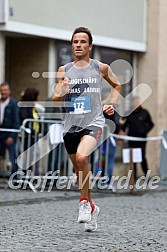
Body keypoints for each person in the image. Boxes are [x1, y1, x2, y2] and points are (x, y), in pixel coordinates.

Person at [52, 27, 121, 232]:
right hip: (70, 126)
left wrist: (112, 103)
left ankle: (83, 203)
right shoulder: (64, 70)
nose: (78, 45)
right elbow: (55, 102)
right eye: (75, 42)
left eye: (83, 42)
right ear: (72, 45)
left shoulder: (100, 67)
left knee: (83, 159)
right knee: (80, 169)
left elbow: (117, 86)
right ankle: (92, 208)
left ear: (90, 46)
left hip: (94, 122)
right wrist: (61, 91)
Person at [120, 96, 154, 181]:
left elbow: (151, 124)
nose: (136, 104)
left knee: (142, 157)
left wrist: (144, 131)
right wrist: (122, 132)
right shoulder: (128, 113)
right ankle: (133, 177)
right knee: (133, 158)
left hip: (142, 139)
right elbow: (123, 125)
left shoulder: (145, 112)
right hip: (132, 139)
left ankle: (146, 175)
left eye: (138, 102)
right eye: (135, 102)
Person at [19, 87, 41, 175]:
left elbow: (36, 120)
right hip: (26, 137)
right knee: (26, 158)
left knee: (31, 158)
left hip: (32, 137)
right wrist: (36, 133)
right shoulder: (24, 106)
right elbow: (26, 121)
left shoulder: (32, 107)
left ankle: (27, 177)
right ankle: (24, 177)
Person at [0, 82, 20, 175]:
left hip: (9, 134)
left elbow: (16, 121)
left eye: (5, 90)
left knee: (13, 157)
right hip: (1, 132)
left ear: (9, 91)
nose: (3, 92)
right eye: (2, 90)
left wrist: (12, 136)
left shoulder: (13, 103)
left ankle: (14, 178)